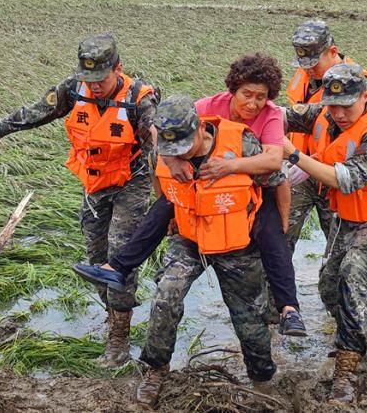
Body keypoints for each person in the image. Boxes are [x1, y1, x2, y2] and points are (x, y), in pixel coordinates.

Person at [73, 53, 307, 337]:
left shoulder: (270, 115)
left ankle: (289, 309)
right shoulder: (208, 106)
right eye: (247, 94)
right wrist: (174, 161)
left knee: (273, 236)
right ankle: (117, 267)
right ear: (233, 89)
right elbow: (163, 129)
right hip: (200, 183)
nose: (253, 103)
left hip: (252, 185)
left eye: (261, 96)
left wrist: (229, 167)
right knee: (163, 207)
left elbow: (273, 164)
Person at [0, 33, 157, 368]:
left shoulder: (139, 99)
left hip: (131, 183)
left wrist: (168, 199)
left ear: (118, 68)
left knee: (119, 259)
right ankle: (112, 313)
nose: (94, 87)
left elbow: (159, 146)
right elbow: (38, 111)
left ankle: (118, 340)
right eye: (88, 79)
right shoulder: (74, 88)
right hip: (94, 184)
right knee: (95, 255)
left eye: (101, 79)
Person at [135, 95, 277, 408]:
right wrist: (171, 207)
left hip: (237, 244)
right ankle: (156, 369)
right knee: (165, 295)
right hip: (189, 237)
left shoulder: (242, 143)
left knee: (251, 317)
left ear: (201, 128)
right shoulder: (165, 151)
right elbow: (158, 181)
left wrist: (275, 235)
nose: (180, 152)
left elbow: (275, 180)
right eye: (173, 148)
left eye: (185, 145)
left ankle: (262, 381)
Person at [283, 63, 367, 403]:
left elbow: (348, 179)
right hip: (345, 220)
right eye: (331, 105)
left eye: (346, 106)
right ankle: (354, 330)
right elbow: (280, 114)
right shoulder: (323, 113)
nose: (337, 113)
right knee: (329, 286)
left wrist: (295, 156)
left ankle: (346, 370)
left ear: (365, 97)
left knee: (353, 274)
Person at [284, 19, 367, 253]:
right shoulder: (303, 75)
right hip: (298, 172)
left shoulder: (356, 84)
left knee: (338, 248)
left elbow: (349, 134)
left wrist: (310, 161)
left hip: (333, 174)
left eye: (314, 63)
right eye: (304, 63)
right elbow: (297, 115)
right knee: (280, 239)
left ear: (332, 51)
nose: (308, 69)